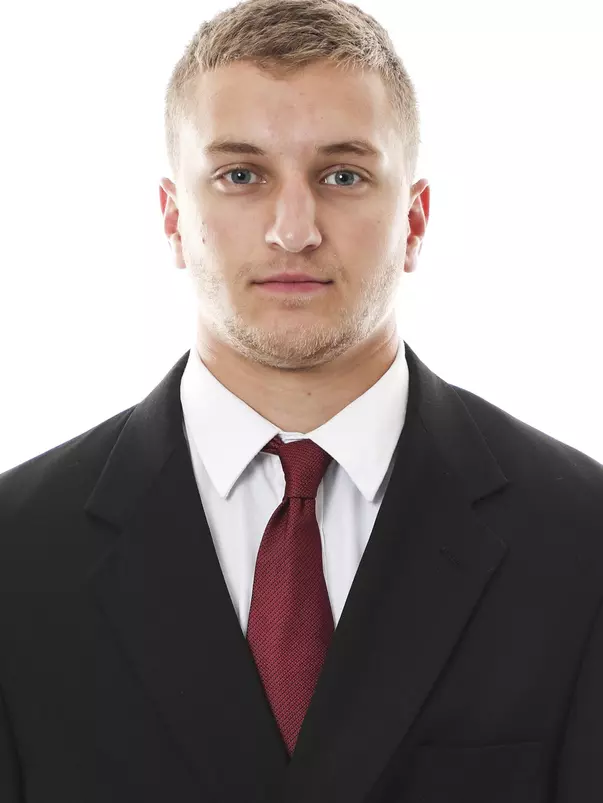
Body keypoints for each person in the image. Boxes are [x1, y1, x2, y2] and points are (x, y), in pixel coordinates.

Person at [1, 0, 602, 800]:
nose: (293, 228)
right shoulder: (18, 553)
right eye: (241, 175)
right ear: (174, 220)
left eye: (342, 174)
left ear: (414, 220)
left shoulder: (578, 541)